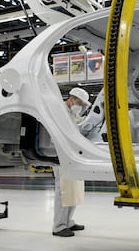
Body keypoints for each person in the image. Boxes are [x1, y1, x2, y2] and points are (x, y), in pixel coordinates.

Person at [52, 87, 91, 237]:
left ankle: (68, 222)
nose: (80, 107)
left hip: (72, 157)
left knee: (73, 190)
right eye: (80, 103)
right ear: (72, 99)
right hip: (60, 156)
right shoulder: (59, 111)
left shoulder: (71, 114)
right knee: (63, 191)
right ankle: (58, 226)